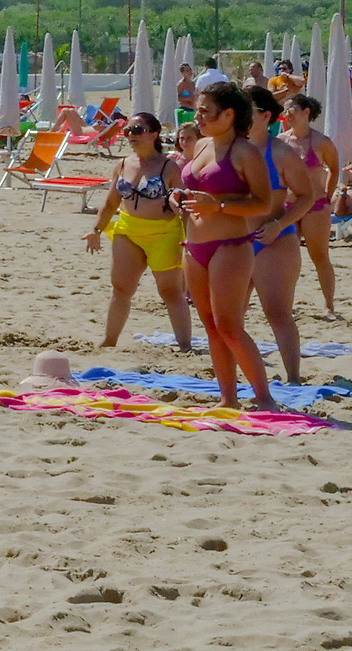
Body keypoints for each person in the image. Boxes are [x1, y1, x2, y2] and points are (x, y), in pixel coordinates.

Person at [174, 80, 280, 410]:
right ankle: (228, 398)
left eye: (205, 111)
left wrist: (218, 206)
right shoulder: (203, 145)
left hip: (230, 245)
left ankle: (264, 398)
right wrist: (178, 197)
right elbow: (194, 188)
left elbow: (263, 204)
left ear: (229, 114)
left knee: (229, 326)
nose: (198, 116)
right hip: (195, 243)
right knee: (210, 326)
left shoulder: (245, 152)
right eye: (197, 109)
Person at [86, 112, 191, 350]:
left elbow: (183, 207)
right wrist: (96, 230)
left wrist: (189, 241)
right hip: (129, 229)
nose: (131, 136)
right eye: (128, 131)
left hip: (164, 233)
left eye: (137, 130)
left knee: (171, 291)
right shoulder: (123, 164)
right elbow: (111, 202)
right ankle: (109, 340)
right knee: (121, 287)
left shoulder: (169, 167)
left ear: (154, 134)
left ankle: (185, 345)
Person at [243, 83, 321, 388]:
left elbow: (306, 196)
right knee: (228, 316)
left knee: (277, 312)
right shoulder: (230, 149)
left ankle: (293, 378)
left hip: (275, 236)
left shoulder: (281, 152)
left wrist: (280, 223)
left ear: (264, 116)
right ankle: (242, 373)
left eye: (245, 112)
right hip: (237, 238)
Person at [282, 94, 342, 318]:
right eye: (286, 110)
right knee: (287, 257)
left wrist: (328, 196)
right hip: (288, 205)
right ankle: (287, 305)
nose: (288, 114)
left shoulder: (321, 142)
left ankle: (329, 306)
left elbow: (335, 168)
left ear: (307, 112)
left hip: (315, 205)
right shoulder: (281, 140)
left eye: (292, 109)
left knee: (319, 256)